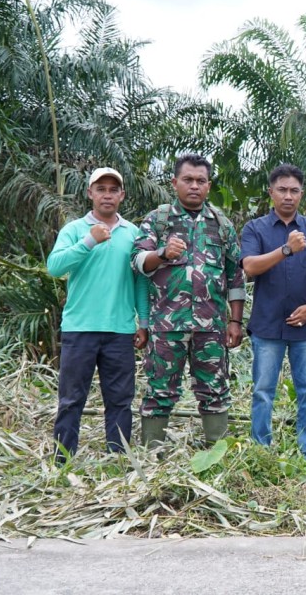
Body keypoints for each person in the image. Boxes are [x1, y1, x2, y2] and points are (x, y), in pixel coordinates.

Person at [132, 154, 245, 448]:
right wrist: (162, 254)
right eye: (188, 180)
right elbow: (138, 261)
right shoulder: (158, 220)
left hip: (211, 326)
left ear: (208, 186)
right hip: (167, 325)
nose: (194, 186)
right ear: (174, 183)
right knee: (160, 390)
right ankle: (150, 454)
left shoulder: (221, 224)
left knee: (215, 389)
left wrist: (235, 321)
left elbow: (235, 275)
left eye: (201, 181)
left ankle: (215, 452)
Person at [47, 167, 149, 464]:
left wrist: (143, 322)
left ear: (122, 195)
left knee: (120, 400)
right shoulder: (75, 229)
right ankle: (62, 461)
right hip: (79, 329)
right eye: (100, 188)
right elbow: (55, 267)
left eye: (113, 189)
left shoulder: (133, 233)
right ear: (90, 193)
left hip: (119, 330)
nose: (107, 194)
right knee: (71, 400)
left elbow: (140, 281)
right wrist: (89, 241)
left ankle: (117, 460)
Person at [240, 164, 306, 460]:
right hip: (267, 326)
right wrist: (286, 249)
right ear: (271, 193)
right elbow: (249, 267)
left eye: (294, 190)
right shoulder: (255, 228)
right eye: (282, 190)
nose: (288, 196)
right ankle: (261, 450)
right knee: (263, 391)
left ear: (301, 194)